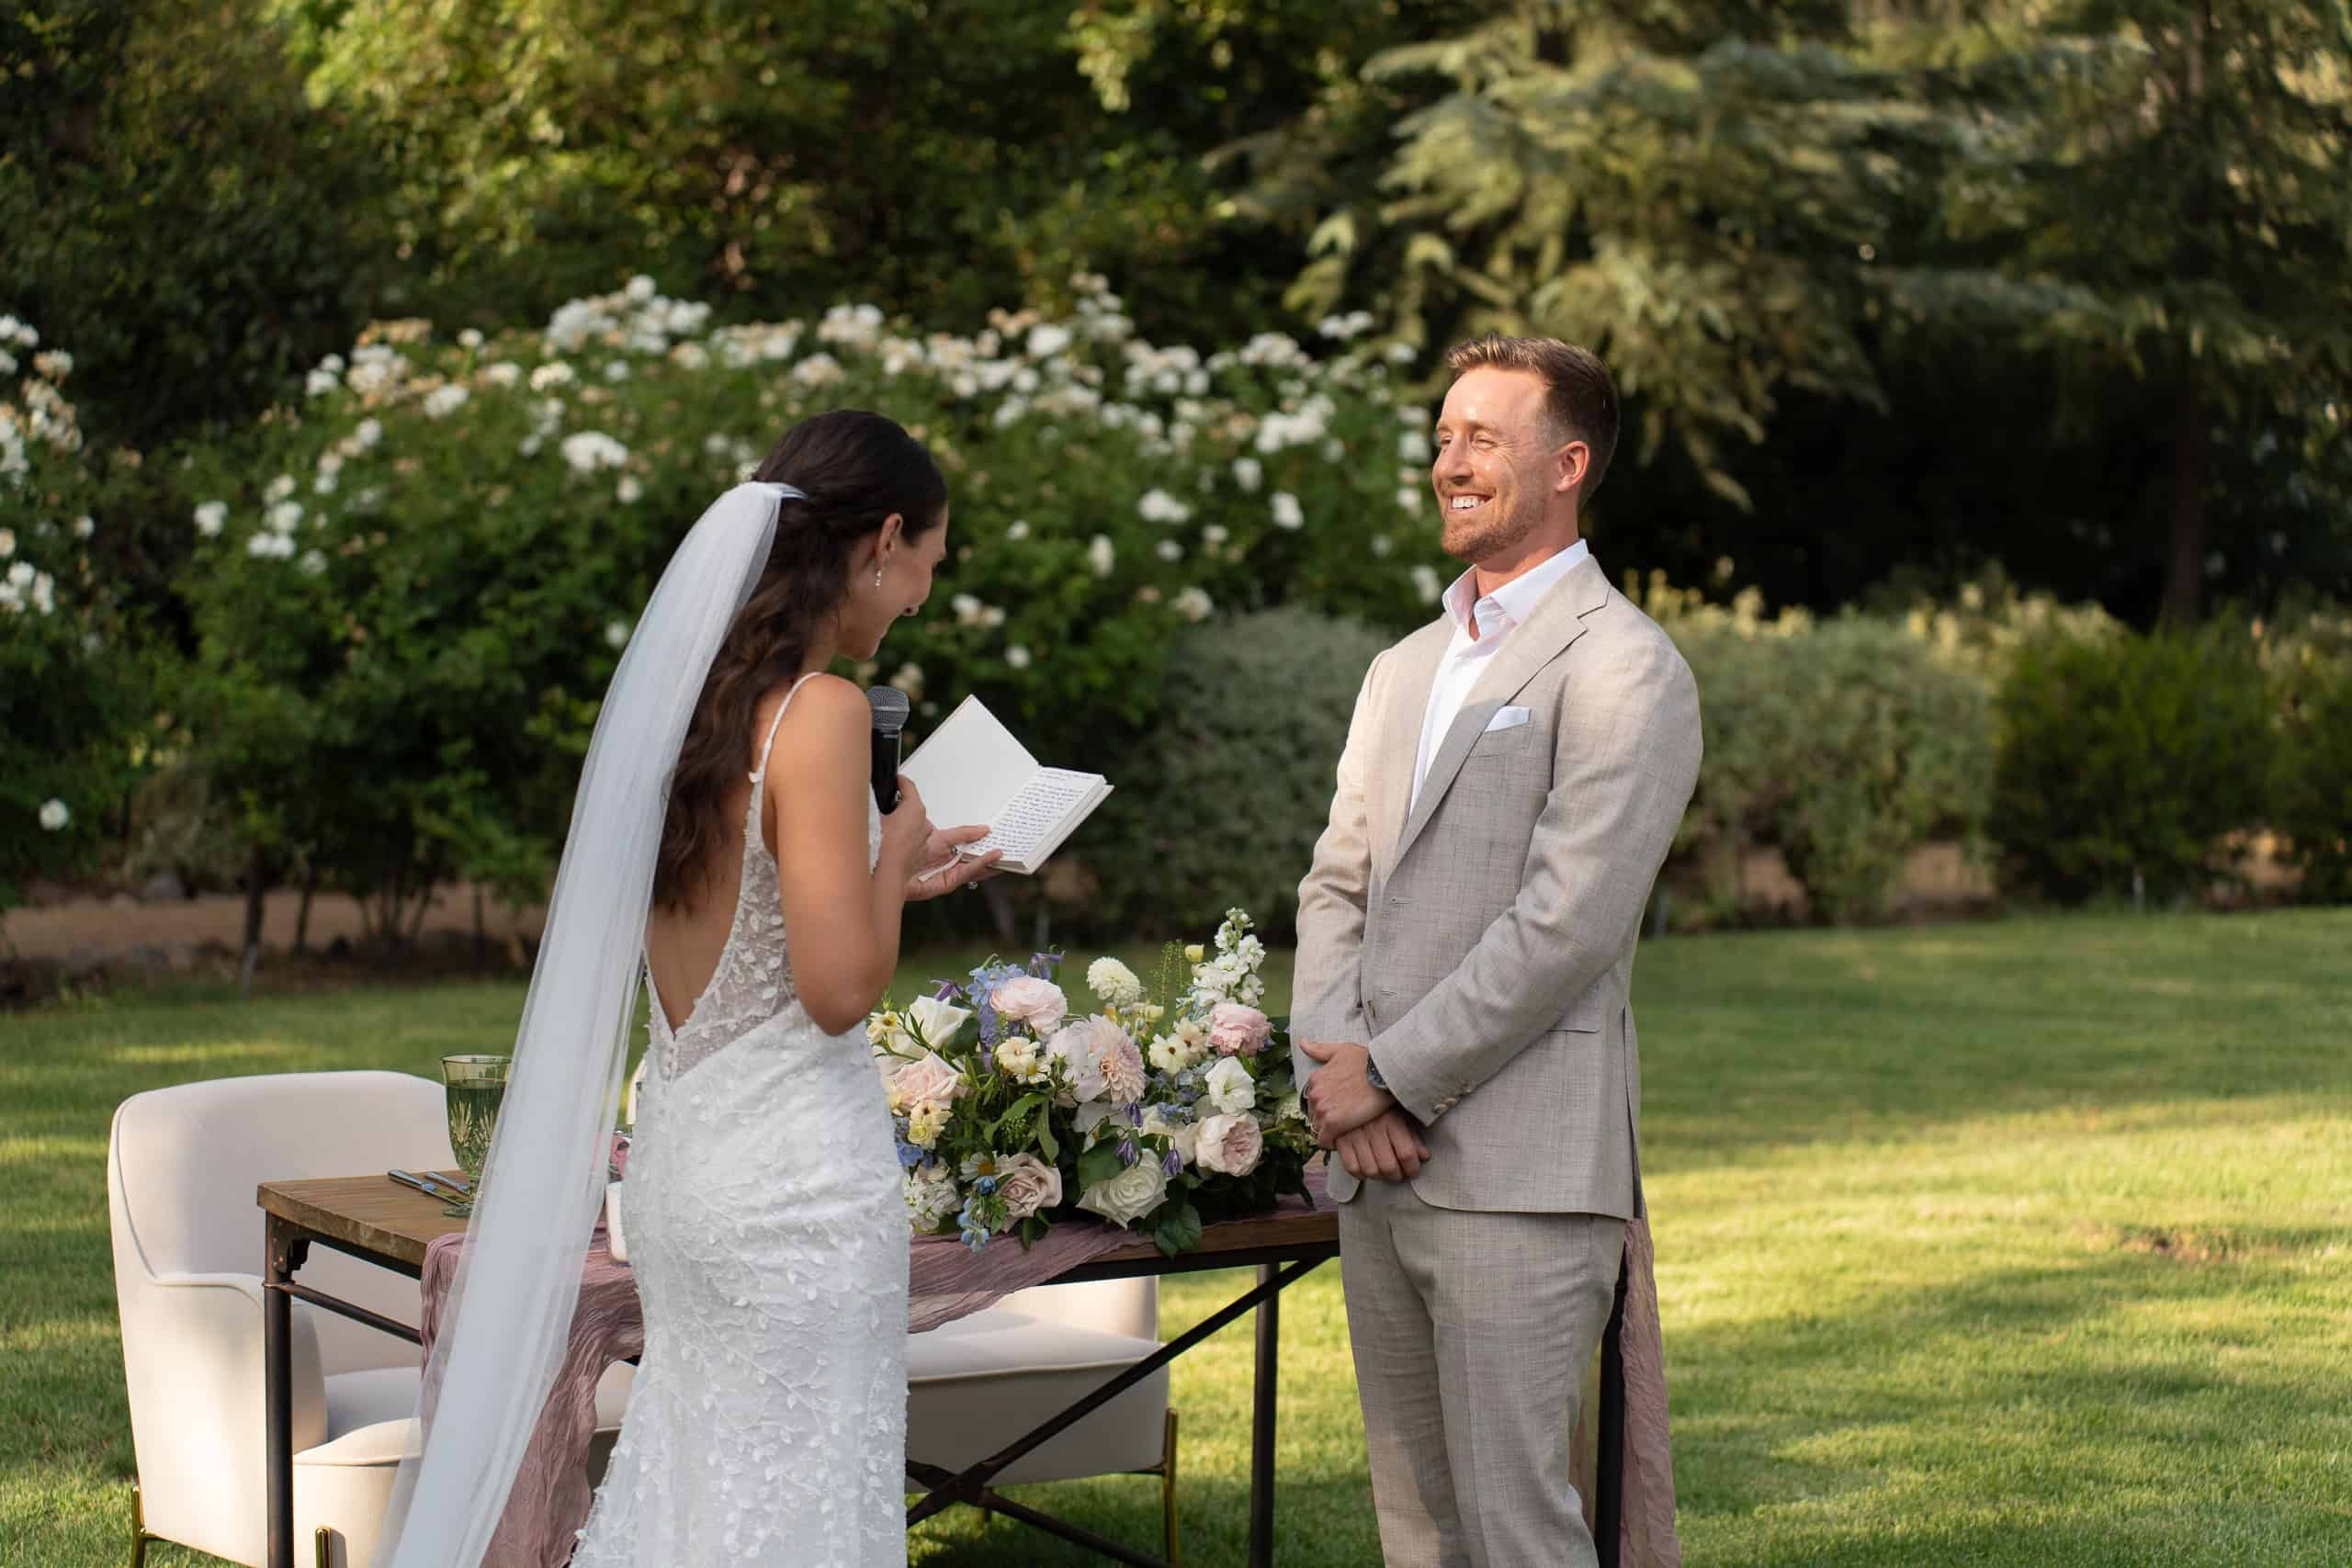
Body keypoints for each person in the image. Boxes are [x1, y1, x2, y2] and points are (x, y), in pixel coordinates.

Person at [378, 409, 1000, 1568]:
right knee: (799, 1501)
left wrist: (886, 881)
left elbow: (751, 931)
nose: (918, 594)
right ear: (883, 538)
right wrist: (899, 851)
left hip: (685, 1171)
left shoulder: (704, 713)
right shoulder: (820, 713)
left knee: (699, 1485)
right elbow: (834, 991)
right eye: (927, 565)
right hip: (792, 1195)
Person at [1291, 335, 1702, 1568]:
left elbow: (1567, 920)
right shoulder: (1401, 667)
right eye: (1442, 434)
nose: (1446, 460)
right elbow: (1335, 879)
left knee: (1522, 1530)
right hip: (1379, 1168)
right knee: (1418, 1531)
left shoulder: (1628, 664)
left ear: (1568, 463)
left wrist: (1394, 1074)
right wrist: (1337, 1064)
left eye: (1481, 436)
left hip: (1521, 1177)